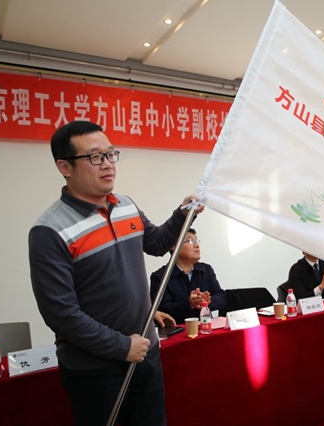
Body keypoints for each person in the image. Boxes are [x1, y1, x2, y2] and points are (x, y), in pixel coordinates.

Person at [28, 120, 204, 426]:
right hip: (95, 369)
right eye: (95, 157)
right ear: (64, 167)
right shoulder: (50, 231)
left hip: (145, 351)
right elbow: (60, 313)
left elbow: (156, 243)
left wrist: (182, 214)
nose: (108, 164)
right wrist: (122, 347)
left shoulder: (125, 206)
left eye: (111, 154)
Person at [150, 228, 227, 324]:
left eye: (196, 240)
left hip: (205, 327)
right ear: (174, 246)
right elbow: (161, 310)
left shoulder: (206, 270)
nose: (196, 245)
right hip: (177, 329)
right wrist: (189, 304)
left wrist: (204, 301)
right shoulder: (160, 277)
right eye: (190, 241)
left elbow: (222, 298)